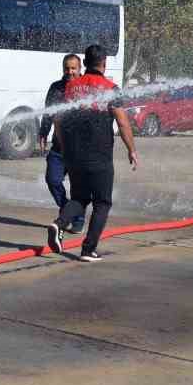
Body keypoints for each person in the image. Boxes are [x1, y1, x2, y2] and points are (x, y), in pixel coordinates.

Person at [46, 43, 137, 262]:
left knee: (79, 197)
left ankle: (58, 223)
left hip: (74, 154)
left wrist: (65, 148)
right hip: (100, 155)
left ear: (84, 63)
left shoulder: (71, 87)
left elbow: (58, 119)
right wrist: (131, 150)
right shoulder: (110, 88)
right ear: (104, 64)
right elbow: (123, 123)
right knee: (102, 202)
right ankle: (88, 250)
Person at [38, 53, 83, 232]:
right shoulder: (56, 88)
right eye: (67, 68)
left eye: (73, 68)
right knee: (52, 179)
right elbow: (48, 112)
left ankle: (77, 220)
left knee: (78, 187)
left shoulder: (85, 88)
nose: (70, 72)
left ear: (80, 69)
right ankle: (68, 211)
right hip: (58, 147)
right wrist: (43, 133)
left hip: (79, 148)